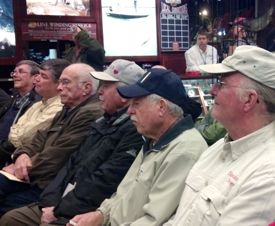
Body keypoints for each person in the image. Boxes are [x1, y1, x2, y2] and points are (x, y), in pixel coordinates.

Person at [0, 59, 145, 226]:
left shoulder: (99, 117)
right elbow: (62, 156)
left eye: (106, 86)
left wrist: (58, 208)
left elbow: (98, 178)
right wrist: (22, 155)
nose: (100, 91)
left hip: (55, 189)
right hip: (56, 191)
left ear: (124, 93)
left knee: (10, 215)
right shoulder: (95, 117)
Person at [66, 68, 208, 226]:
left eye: (137, 103)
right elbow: (125, 193)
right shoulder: (153, 139)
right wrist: (101, 215)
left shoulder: (184, 151)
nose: (129, 110)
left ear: (161, 107)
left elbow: (154, 220)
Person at [163, 45, 275, 226]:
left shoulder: (268, 176)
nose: (212, 90)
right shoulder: (218, 148)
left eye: (221, 84)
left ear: (249, 100)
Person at [0, 63, 102, 214]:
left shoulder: (88, 113)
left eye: (65, 82)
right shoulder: (68, 107)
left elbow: (59, 155)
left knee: (7, 208)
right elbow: (40, 137)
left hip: (46, 183)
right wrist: (22, 155)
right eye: (60, 82)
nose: (59, 88)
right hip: (35, 174)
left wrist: (21, 167)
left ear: (86, 88)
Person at [0, 59, 70, 167]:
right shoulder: (37, 103)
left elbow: (23, 136)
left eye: (43, 76)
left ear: (58, 83)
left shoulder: (59, 107)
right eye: (14, 72)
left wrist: (14, 136)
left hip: (18, 155)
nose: (37, 79)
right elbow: (14, 129)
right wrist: (15, 135)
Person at [0, 60, 41, 141]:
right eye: (14, 72)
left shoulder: (38, 103)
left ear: (35, 78)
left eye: (21, 72)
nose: (15, 75)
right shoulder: (13, 101)